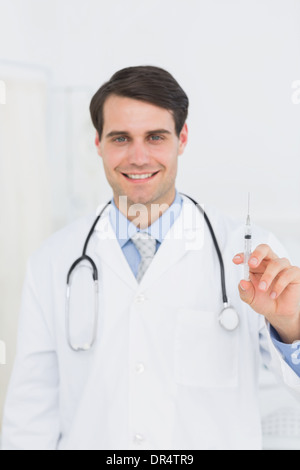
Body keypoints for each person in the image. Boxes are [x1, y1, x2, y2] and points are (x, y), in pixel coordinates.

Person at [2, 66, 300, 450]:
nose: (138, 157)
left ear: (182, 138)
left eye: (155, 137)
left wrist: (291, 327)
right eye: (121, 138)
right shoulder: (52, 262)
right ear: (98, 143)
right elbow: (29, 417)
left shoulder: (251, 256)